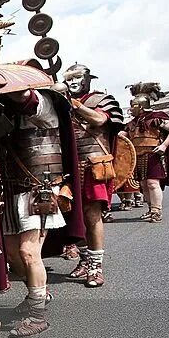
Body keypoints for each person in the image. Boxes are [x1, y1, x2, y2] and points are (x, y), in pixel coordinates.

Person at [0, 82, 81, 337]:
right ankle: (39, 293)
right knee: (12, 254)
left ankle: (37, 315)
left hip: (40, 191)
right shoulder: (10, 113)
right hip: (14, 190)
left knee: (28, 251)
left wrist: (8, 82)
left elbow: (26, 98)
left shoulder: (44, 104)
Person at [61, 64, 124, 288]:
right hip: (69, 165)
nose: (74, 81)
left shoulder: (102, 99)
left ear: (88, 79)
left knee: (91, 215)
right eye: (70, 77)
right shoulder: (62, 101)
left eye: (78, 77)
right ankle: (86, 260)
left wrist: (75, 105)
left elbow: (99, 121)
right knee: (74, 216)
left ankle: (96, 267)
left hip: (93, 165)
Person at [127, 94, 169, 222]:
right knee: (143, 184)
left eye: (133, 106)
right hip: (138, 156)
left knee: (152, 183)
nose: (131, 109)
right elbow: (124, 134)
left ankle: (157, 210)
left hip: (153, 154)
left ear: (141, 106)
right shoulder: (134, 122)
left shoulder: (156, 117)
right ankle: (151, 209)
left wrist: (164, 145)